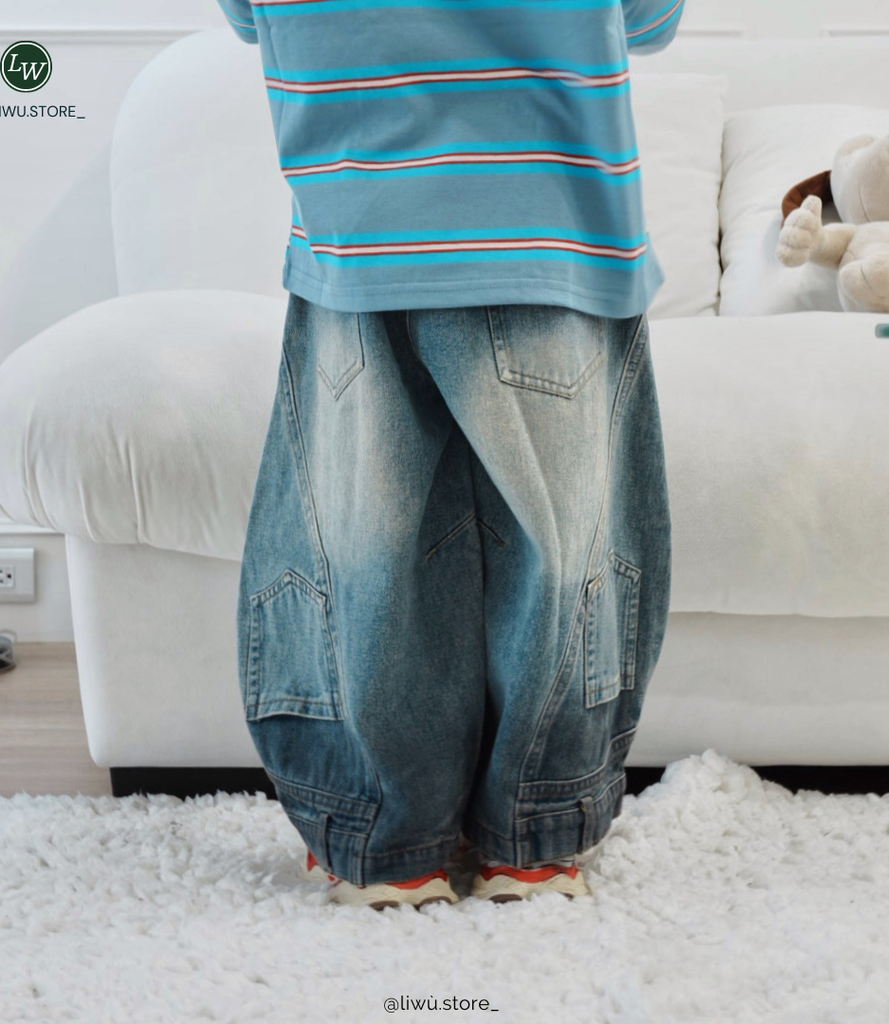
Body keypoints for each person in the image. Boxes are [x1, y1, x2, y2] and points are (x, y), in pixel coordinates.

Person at [217, 0, 680, 909]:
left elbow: (248, 18)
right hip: (556, 231)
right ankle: (535, 837)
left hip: (360, 235)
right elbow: (650, 20)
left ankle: (385, 840)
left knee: (363, 554)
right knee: (565, 553)